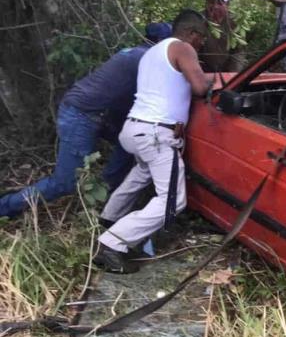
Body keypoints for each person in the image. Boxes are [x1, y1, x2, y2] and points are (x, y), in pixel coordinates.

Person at [0, 23, 173, 219]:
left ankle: (106, 192)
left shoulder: (133, 53)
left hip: (92, 112)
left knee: (127, 143)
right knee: (65, 183)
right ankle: (6, 207)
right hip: (81, 115)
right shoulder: (145, 60)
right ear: (161, 44)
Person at [93, 9, 213, 274]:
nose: (202, 43)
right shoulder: (183, 48)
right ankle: (113, 244)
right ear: (191, 33)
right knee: (173, 200)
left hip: (134, 129)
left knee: (142, 173)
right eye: (201, 37)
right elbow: (201, 88)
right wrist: (218, 79)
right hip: (156, 134)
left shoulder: (153, 53)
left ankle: (108, 218)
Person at [199, 0, 245, 73]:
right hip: (203, 70)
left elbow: (238, 52)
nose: (215, 6)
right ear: (206, 2)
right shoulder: (199, 19)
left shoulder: (235, 22)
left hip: (226, 71)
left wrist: (233, 75)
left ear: (227, 4)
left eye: (220, 3)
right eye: (212, 2)